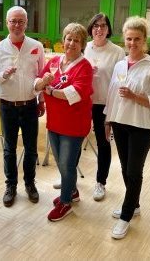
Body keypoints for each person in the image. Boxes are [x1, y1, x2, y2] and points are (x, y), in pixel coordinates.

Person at [104, 16, 150, 239]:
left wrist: (134, 96)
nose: (132, 43)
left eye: (137, 39)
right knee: (124, 168)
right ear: (124, 39)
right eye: (129, 39)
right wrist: (107, 120)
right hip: (120, 122)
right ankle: (135, 204)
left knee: (133, 172)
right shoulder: (120, 64)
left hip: (142, 127)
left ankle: (126, 216)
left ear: (144, 40)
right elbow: (112, 93)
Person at [35, 22, 93, 221]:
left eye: (77, 40)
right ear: (63, 41)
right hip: (55, 121)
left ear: (83, 44)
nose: (71, 43)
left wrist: (49, 90)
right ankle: (73, 191)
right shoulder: (54, 61)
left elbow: (75, 93)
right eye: (69, 38)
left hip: (74, 124)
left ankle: (66, 202)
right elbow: (37, 81)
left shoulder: (85, 66)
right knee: (60, 162)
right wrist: (42, 82)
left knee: (67, 165)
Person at [0, 6, 45, 207]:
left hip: (30, 105)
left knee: (31, 149)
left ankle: (30, 184)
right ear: (7, 23)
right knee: (9, 149)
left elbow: (41, 75)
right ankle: (10, 186)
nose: (16, 25)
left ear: (26, 23)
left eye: (20, 21)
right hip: (7, 106)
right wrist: (4, 74)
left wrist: (42, 100)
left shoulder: (36, 46)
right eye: (13, 21)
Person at [84, 13, 126, 201]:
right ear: (91, 29)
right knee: (77, 139)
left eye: (103, 26)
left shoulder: (117, 51)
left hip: (105, 105)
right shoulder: (85, 48)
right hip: (84, 102)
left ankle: (101, 182)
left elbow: (120, 80)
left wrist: (114, 108)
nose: (99, 29)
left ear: (108, 29)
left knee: (103, 143)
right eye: (95, 26)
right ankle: (69, 176)